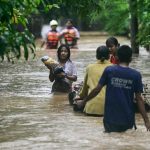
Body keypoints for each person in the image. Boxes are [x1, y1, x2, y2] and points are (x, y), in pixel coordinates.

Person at [76, 45, 150, 132]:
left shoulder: (109, 70)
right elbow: (139, 99)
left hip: (110, 119)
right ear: (130, 59)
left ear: (117, 58)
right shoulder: (136, 75)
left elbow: (97, 90)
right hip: (127, 119)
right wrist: (146, 121)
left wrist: (83, 101)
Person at [73, 46, 112, 116]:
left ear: (97, 56)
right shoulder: (114, 68)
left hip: (91, 108)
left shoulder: (90, 67)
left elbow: (84, 90)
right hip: (110, 109)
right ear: (109, 56)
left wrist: (80, 97)